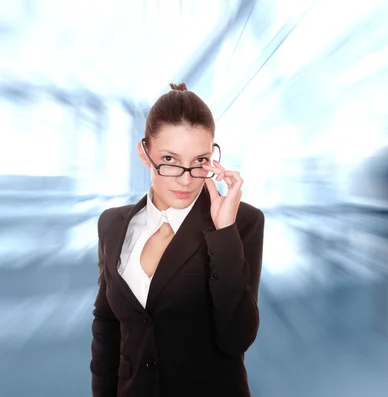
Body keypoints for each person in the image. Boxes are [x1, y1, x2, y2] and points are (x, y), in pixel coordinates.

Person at [90, 83, 265, 397]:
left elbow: (237, 338)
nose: (186, 179)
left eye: (199, 161)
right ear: (145, 153)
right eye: (170, 159)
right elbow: (107, 324)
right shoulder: (112, 225)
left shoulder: (242, 222)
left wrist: (224, 233)